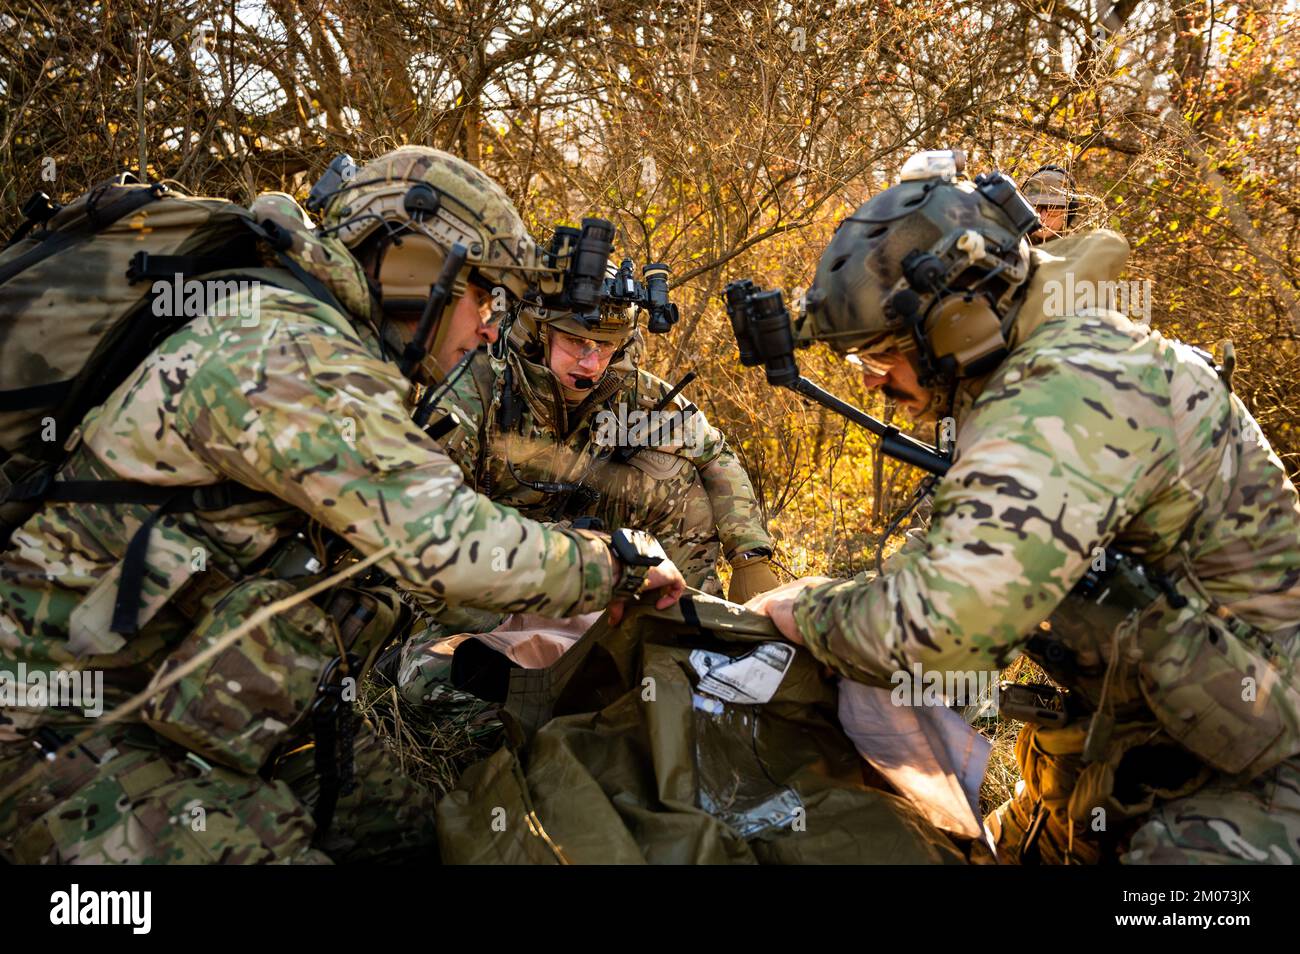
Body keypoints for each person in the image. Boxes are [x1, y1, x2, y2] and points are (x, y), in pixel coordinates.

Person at [0, 145, 683, 864]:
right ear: (417, 267)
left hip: (182, 705)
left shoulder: (315, 337)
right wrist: (617, 562)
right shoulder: (288, 351)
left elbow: (412, 571)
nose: (489, 327)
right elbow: (449, 547)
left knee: (419, 832)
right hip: (54, 722)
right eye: (484, 295)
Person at [747, 162, 1300, 864]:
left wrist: (809, 610)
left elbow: (943, 627)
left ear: (957, 323)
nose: (877, 383)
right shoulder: (1042, 362)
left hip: (1261, 771)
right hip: (1146, 739)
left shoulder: (1068, 390)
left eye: (881, 356)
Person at [422, 282, 778, 601]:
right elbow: (430, 518)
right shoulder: (478, 390)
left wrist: (749, 555)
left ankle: (686, 619)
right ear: (538, 333)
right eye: (576, 341)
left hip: (592, 569)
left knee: (674, 479)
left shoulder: (632, 392)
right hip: (483, 575)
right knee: (465, 667)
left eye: (605, 345)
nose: (590, 363)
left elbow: (714, 453)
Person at [1020, 164, 1079, 243]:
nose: (1042, 217)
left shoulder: (1079, 251)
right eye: (1036, 206)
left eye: (1053, 208)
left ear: (1068, 213)